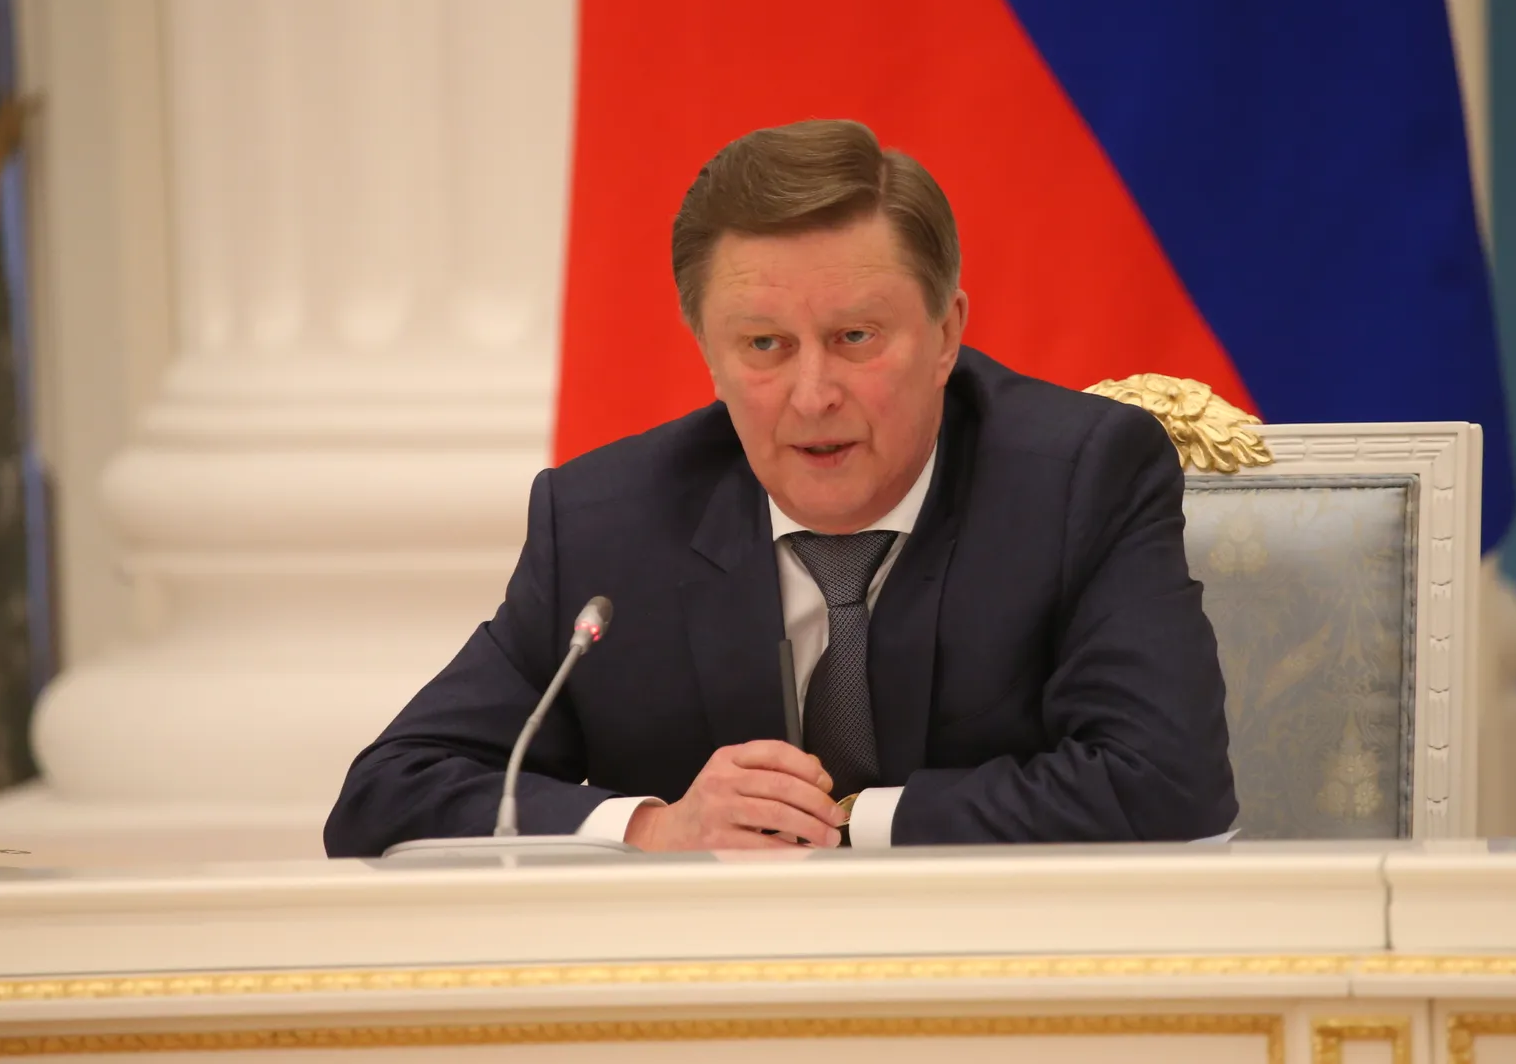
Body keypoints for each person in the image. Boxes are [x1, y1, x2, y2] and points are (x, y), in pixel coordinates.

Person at [323, 119, 1235, 855]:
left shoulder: (1080, 478)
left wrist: (842, 822)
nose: (812, 395)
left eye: (855, 338)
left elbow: (1167, 782)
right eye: (765, 346)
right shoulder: (606, 524)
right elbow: (388, 792)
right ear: (708, 355)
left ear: (946, 334)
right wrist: (657, 828)